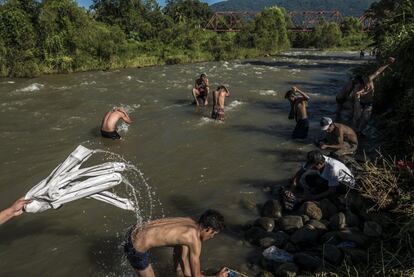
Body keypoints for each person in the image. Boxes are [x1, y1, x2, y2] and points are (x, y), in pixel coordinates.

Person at [123, 210, 228, 277]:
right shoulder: (194, 240)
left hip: (133, 231)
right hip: (135, 247)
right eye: (213, 233)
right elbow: (196, 275)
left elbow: (182, 262)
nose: (212, 237)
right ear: (208, 229)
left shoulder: (188, 222)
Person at [289, 150, 355, 201]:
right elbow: (299, 173)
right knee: (309, 178)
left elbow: (332, 190)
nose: (311, 168)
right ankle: (315, 190)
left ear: (320, 163)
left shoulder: (333, 169)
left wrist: (313, 197)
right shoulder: (314, 159)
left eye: (313, 167)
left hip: (344, 185)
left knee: (320, 193)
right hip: (330, 178)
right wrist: (293, 187)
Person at [352, 57, 395, 133]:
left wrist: (388, 63)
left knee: (366, 119)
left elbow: (378, 71)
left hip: (369, 103)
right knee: (357, 116)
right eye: (362, 85)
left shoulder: (369, 78)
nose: (365, 86)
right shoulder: (357, 87)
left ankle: (359, 131)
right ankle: (354, 130)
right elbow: (357, 99)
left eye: (365, 84)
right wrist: (358, 104)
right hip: (360, 102)